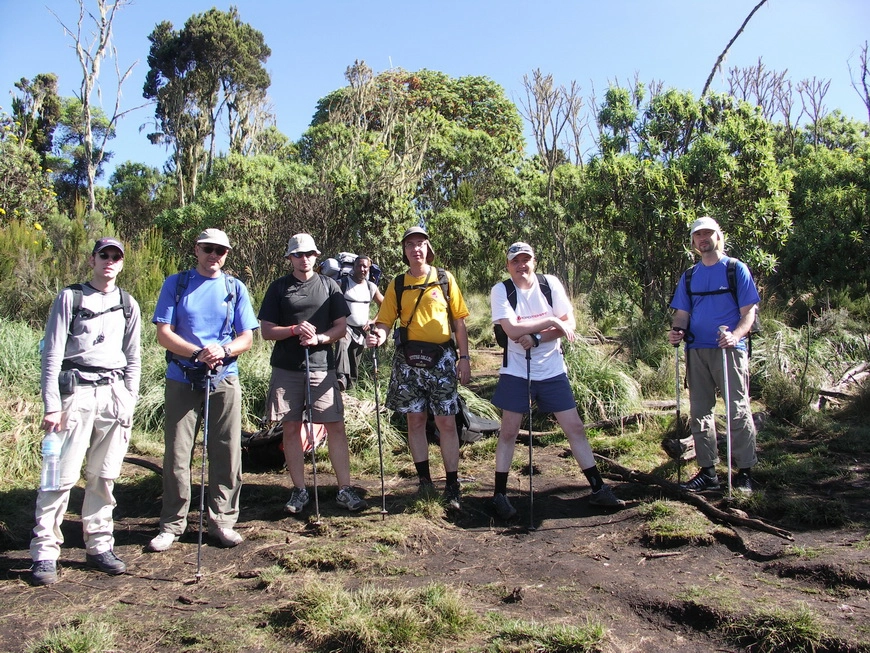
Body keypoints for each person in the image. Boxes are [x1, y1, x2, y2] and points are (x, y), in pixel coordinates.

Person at [30, 237, 142, 585]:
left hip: (113, 395)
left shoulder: (128, 304)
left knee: (103, 475)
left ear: (122, 264)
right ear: (92, 259)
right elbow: (51, 354)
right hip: (73, 395)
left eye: (116, 257)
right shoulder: (70, 297)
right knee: (58, 477)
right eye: (103, 255)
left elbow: (134, 357)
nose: (109, 262)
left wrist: (129, 401)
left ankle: (99, 544)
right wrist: (51, 404)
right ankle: (45, 551)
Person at [489, 242, 624, 520]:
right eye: (515, 261)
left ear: (534, 262)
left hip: (552, 369)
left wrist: (538, 337)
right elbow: (512, 329)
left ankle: (598, 488)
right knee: (509, 431)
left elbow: (569, 324)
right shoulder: (501, 290)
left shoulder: (549, 284)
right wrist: (550, 320)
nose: (521, 265)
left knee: (574, 426)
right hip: (516, 369)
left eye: (526, 260)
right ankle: (499, 494)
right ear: (508, 265)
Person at [148, 228, 259, 552]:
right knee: (178, 453)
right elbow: (164, 333)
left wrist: (222, 350)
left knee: (226, 451)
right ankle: (172, 525)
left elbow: (247, 338)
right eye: (209, 249)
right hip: (182, 376)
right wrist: (197, 353)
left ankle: (222, 521)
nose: (215, 256)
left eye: (221, 251)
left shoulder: (235, 288)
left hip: (224, 379)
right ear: (196, 250)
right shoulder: (177, 283)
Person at [259, 233, 368, 515]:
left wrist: (319, 339)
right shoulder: (279, 287)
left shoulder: (329, 286)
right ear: (289, 258)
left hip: (322, 367)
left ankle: (345, 488)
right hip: (286, 368)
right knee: (291, 428)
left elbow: (341, 328)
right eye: (298, 254)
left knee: (335, 426)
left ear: (316, 256)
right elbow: (267, 331)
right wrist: (294, 330)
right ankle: (299, 490)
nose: (304, 259)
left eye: (309, 254)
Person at [366, 226, 471, 510]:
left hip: (443, 360)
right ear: (404, 251)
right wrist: (379, 336)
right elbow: (386, 321)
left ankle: (452, 484)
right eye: (410, 244)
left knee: (447, 422)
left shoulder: (445, 280)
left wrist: (464, 358)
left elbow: (459, 322)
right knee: (415, 420)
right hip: (408, 363)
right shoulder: (397, 284)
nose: (416, 249)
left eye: (421, 243)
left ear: (428, 248)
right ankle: (424, 482)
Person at [668, 216, 761, 493]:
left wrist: (735, 336)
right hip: (697, 351)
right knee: (699, 412)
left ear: (719, 237)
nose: (703, 239)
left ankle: (744, 472)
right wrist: (677, 331)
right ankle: (708, 471)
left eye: (708, 234)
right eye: (698, 235)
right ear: (693, 242)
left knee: (737, 410)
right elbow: (682, 313)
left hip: (729, 351)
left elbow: (749, 314)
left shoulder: (735, 269)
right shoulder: (690, 276)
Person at [334, 255, 383, 391]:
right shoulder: (342, 283)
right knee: (342, 343)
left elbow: (385, 306)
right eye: (359, 266)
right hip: (345, 327)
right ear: (354, 267)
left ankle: (350, 388)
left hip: (362, 330)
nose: (362, 269)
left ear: (368, 269)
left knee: (355, 359)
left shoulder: (371, 287)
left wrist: (373, 321)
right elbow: (330, 301)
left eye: (365, 266)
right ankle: (341, 376)